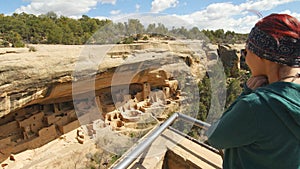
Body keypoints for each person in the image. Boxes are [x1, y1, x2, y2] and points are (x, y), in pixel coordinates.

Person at [206, 13, 300, 169]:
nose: (245, 58)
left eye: (246, 52)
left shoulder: (256, 106)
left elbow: (215, 137)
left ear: (261, 55)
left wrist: (246, 94)